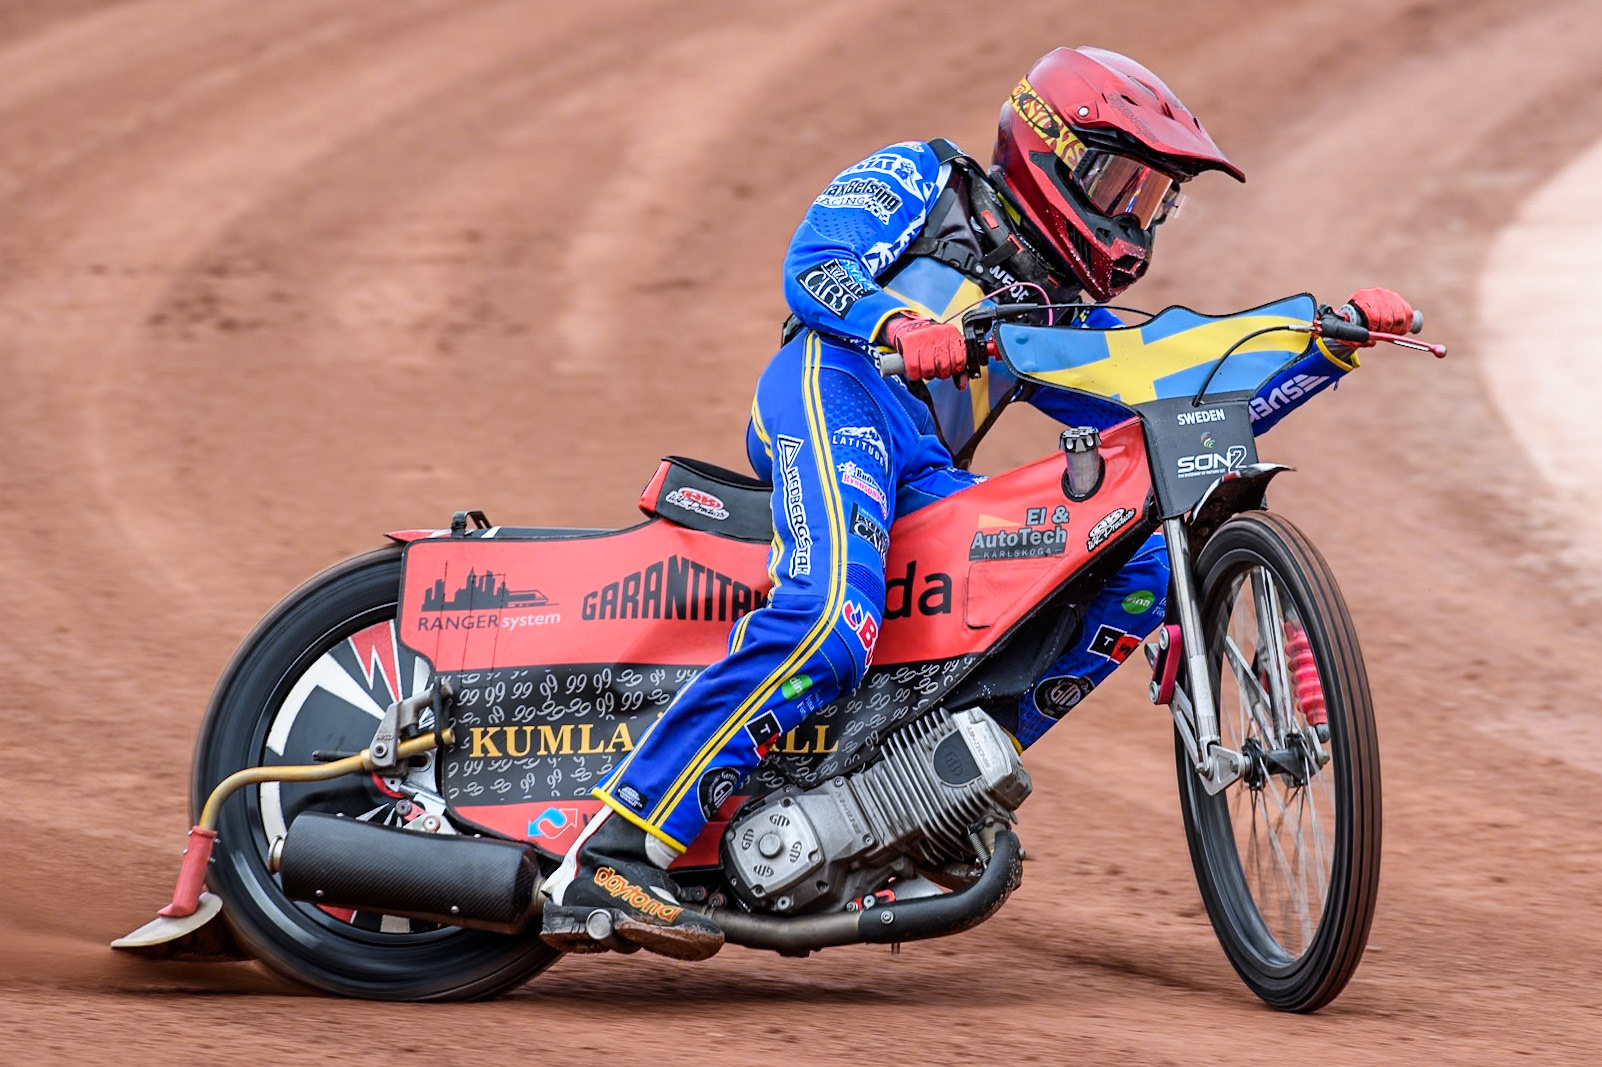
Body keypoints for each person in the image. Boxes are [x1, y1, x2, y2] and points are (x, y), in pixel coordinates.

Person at [540, 46, 1415, 960]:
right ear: (1048, 147)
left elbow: (1175, 391)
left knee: (1139, 561)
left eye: (1155, 200)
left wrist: (1325, 347)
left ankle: (913, 791)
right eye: (1120, 183)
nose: (1133, 218)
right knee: (833, 617)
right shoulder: (924, 175)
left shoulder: (1058, 313)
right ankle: (613, 847)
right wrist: (896, 323)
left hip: (923, 467)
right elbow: (816, 262)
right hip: (833, 386)